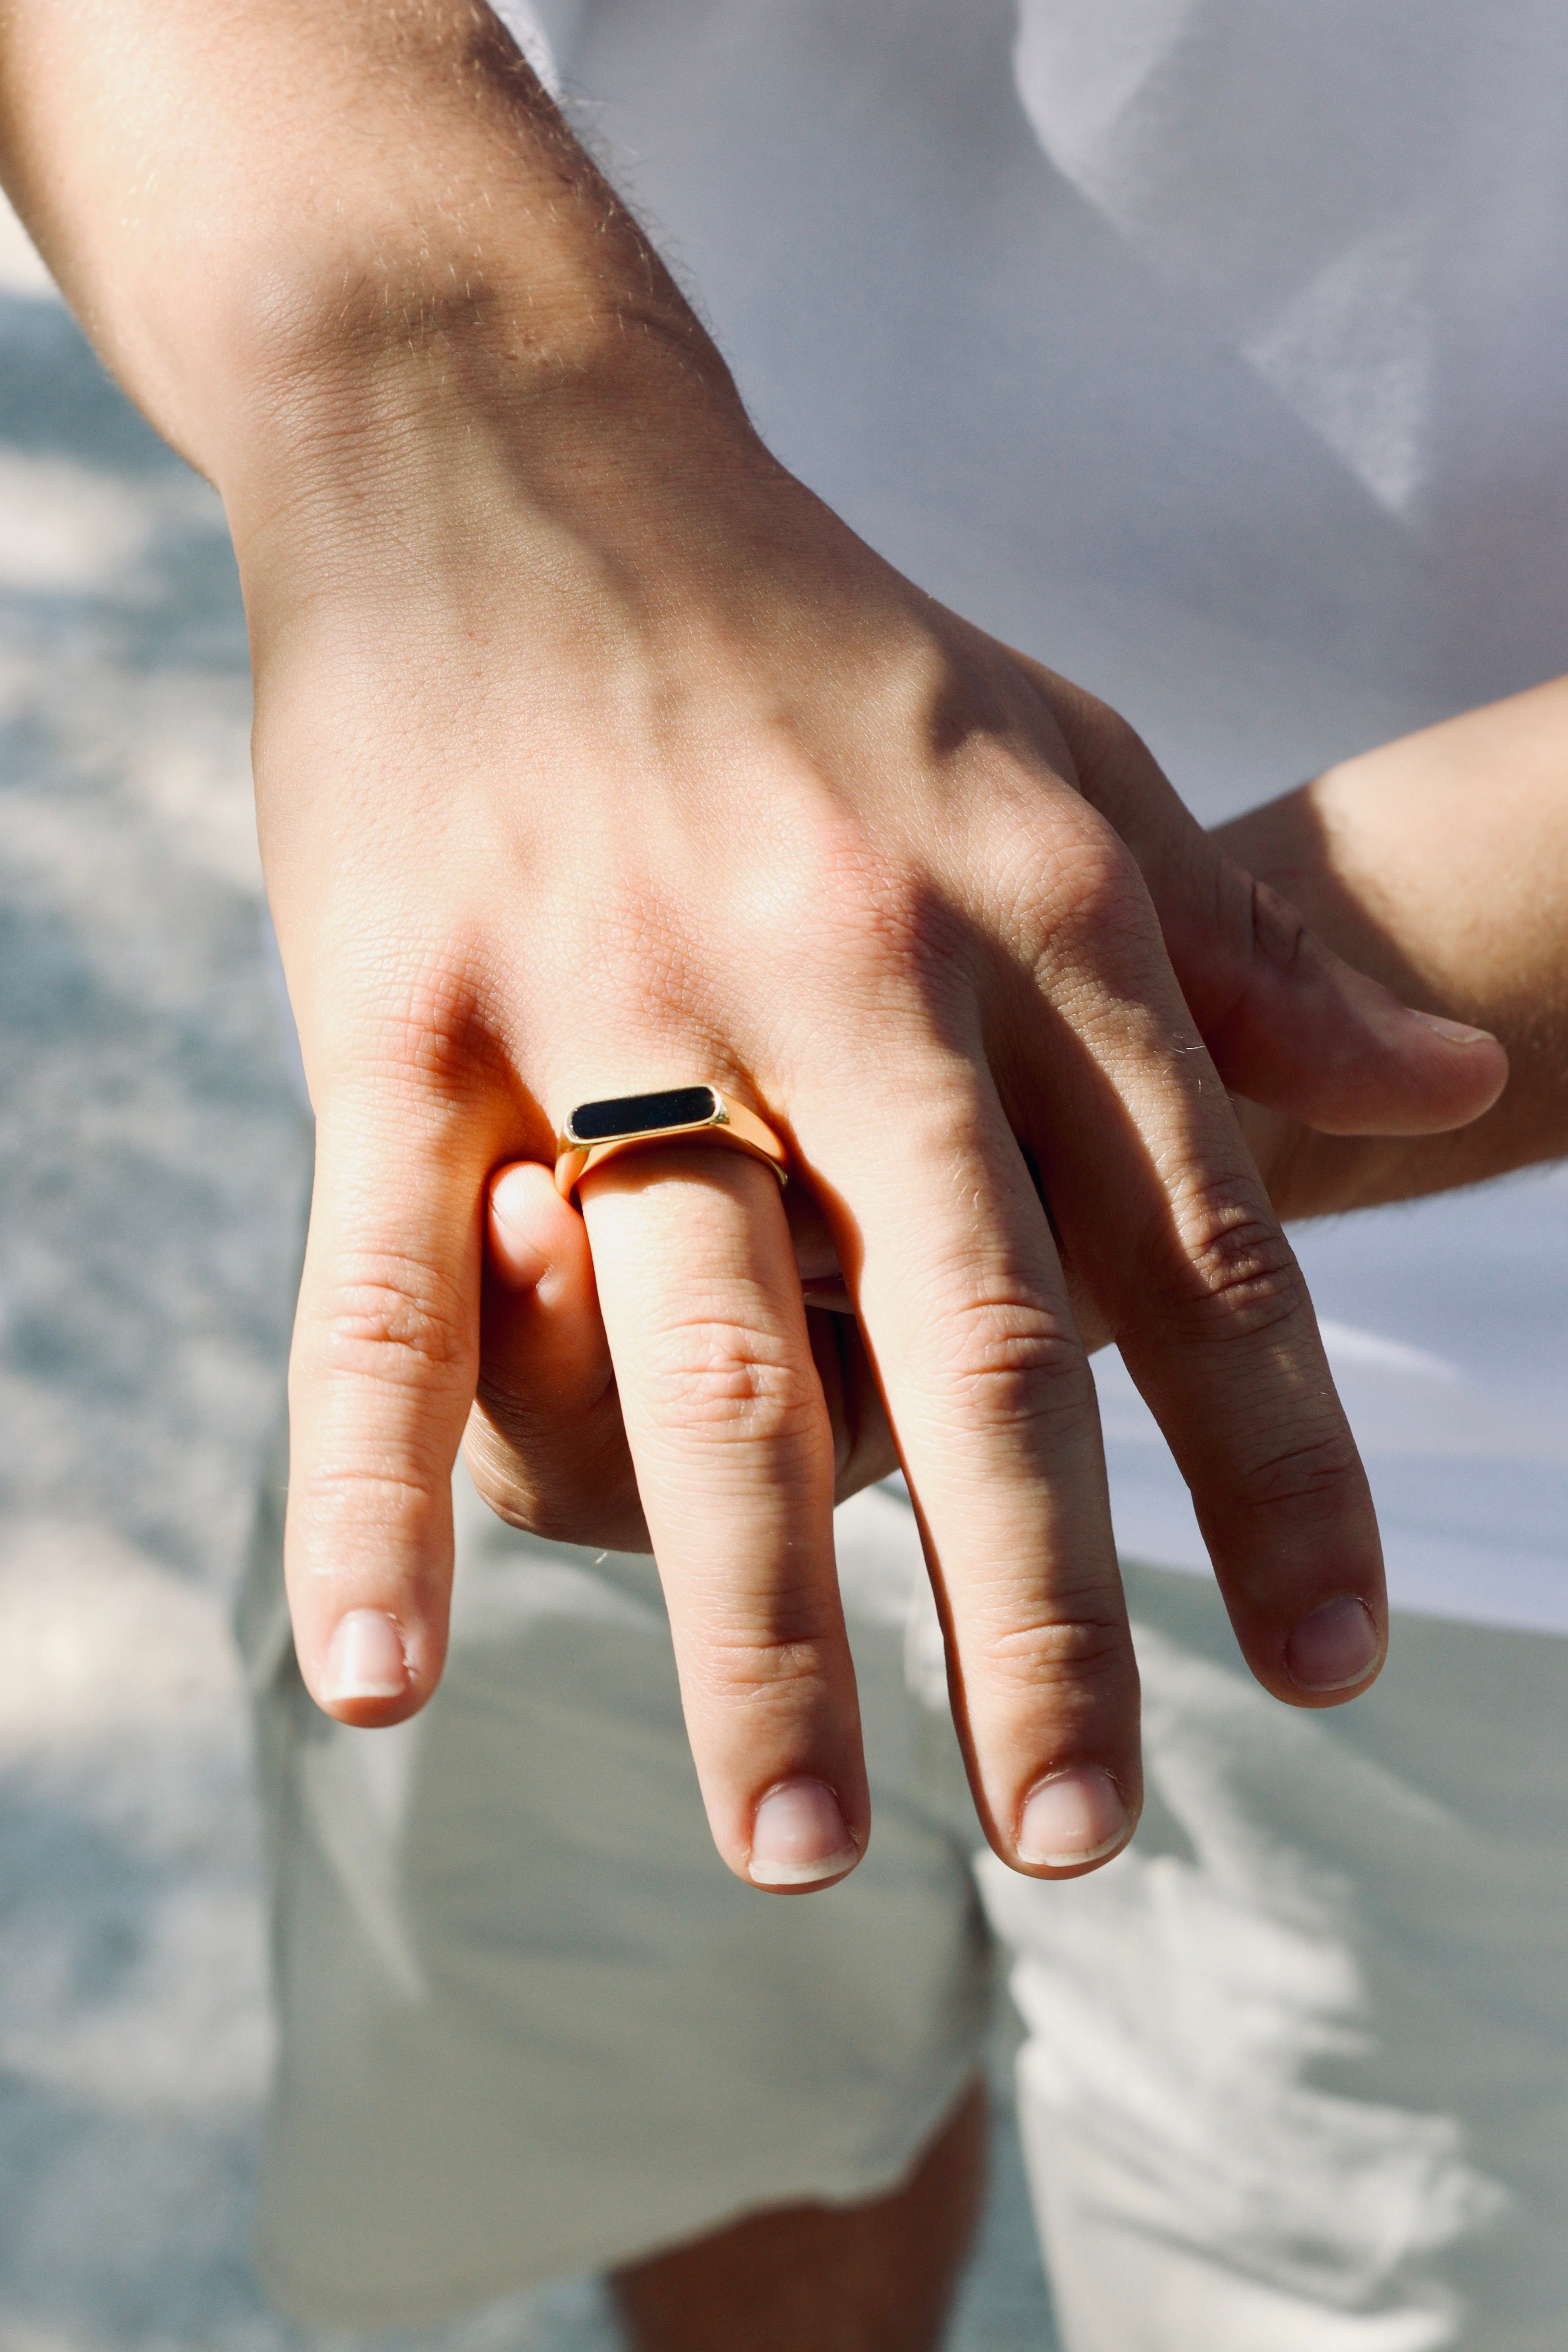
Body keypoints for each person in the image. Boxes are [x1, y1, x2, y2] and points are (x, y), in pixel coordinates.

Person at [3, 1, 1564, 2345]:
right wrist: (462, 407)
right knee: (704, 2104)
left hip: (1479, 1484)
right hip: (546, 1103)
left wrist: (1054, 1096)